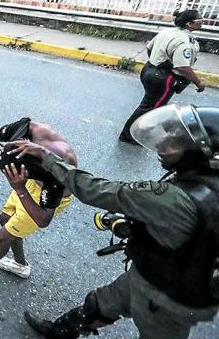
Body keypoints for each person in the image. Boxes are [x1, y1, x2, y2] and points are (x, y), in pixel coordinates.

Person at [12, 104, 219, 339]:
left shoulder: (172, 197)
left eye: (176, 143)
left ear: (198, 152)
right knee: (100, 304)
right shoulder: (208, 184)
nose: (163, 146)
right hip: (169, 276)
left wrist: (46, 158)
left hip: (166, 297)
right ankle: (59, 332)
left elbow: (93, 189)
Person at [0, 118, 76, 283]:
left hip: (46, 196)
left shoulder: (59, 170)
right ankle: (20, 265)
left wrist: (20, 188)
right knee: (5, 219)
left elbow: (43, 219)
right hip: (27, 183)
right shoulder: (27, 129)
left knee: (4, 236)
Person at [119, 10, 206, 144]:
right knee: (151, 108)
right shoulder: (185, 41)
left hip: (149, 69)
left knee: (149, 104)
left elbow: (150, 48)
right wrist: (198, 83)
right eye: (200, 21)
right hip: (163, 78)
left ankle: (135, 133)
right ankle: (129, 135)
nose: (203, 23)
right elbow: (182, 67)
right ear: (190, 24)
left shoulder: (167, 32)